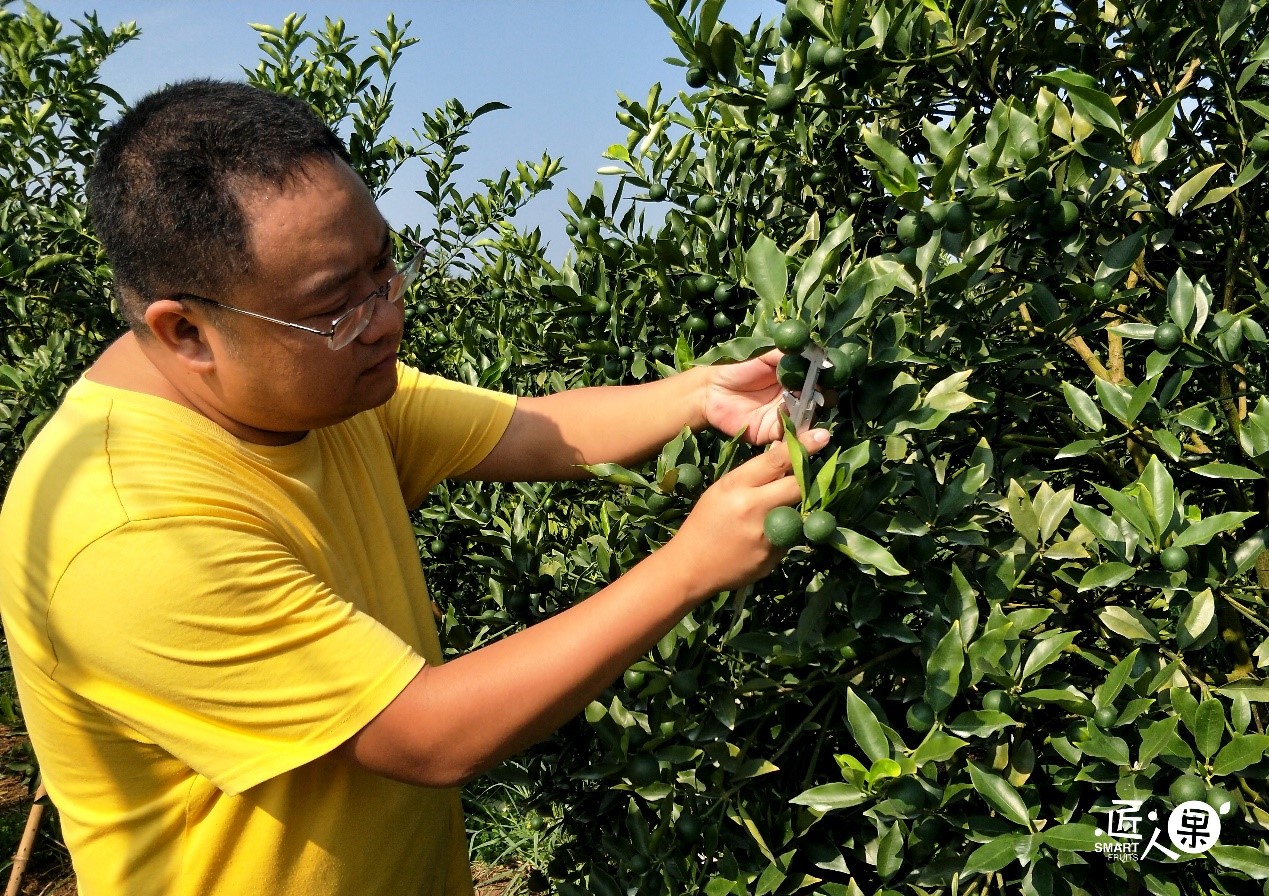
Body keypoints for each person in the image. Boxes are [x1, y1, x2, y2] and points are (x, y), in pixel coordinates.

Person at [0, 80, 827, 896]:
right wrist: (688, 566)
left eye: (384, 268)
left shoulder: (321, 389)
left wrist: (700, 395)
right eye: (334, 305)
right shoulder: (130, 529)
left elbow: (528, 429)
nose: (386, 317)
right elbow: (425, 735)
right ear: (186, 333)